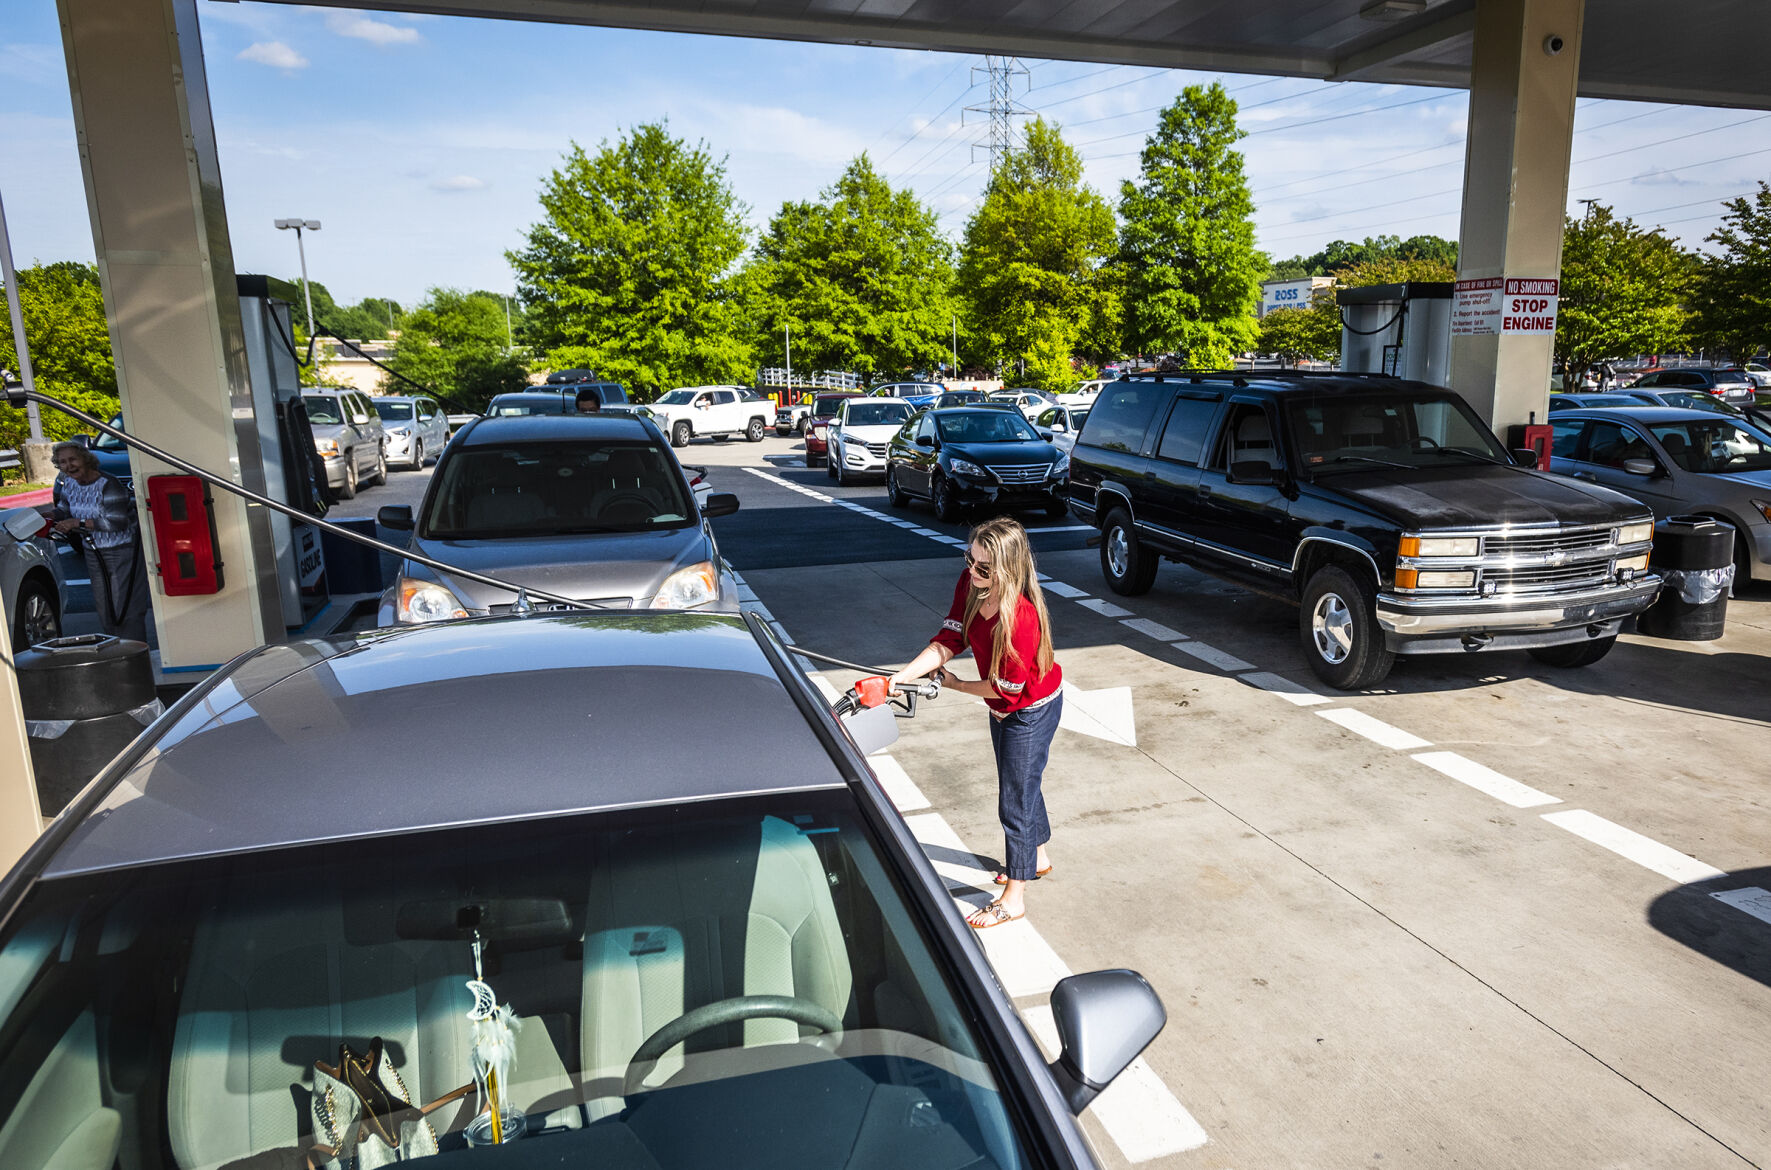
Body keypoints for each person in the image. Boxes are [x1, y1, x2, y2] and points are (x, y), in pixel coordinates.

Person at [890, 516, 1063, 929]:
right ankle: (1036, 857)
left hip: (1030, 709)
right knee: (1018, 779)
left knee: (1015, 800)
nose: (972, 570)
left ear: (1009, 569)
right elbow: (950, 638)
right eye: (970, 558)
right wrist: (902, 676)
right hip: (1004, 705)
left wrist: (955, 684)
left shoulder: (1021, 618)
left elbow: (1004, 691)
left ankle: (1014, 897)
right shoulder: (972, 586)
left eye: (984, 567)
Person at [50, 442, 151, 643]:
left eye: (73, 459)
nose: (69, 466)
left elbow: (117, 521)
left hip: (121, 549)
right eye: (62, 462)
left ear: (85, 459)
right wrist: (42, 516)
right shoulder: (68, 483)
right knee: (105, 606)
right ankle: (115, 650)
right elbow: (63, 509)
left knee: (124, 606)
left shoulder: (108, 484)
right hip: (93, 550)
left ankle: (133, 650)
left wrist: (76, 523)